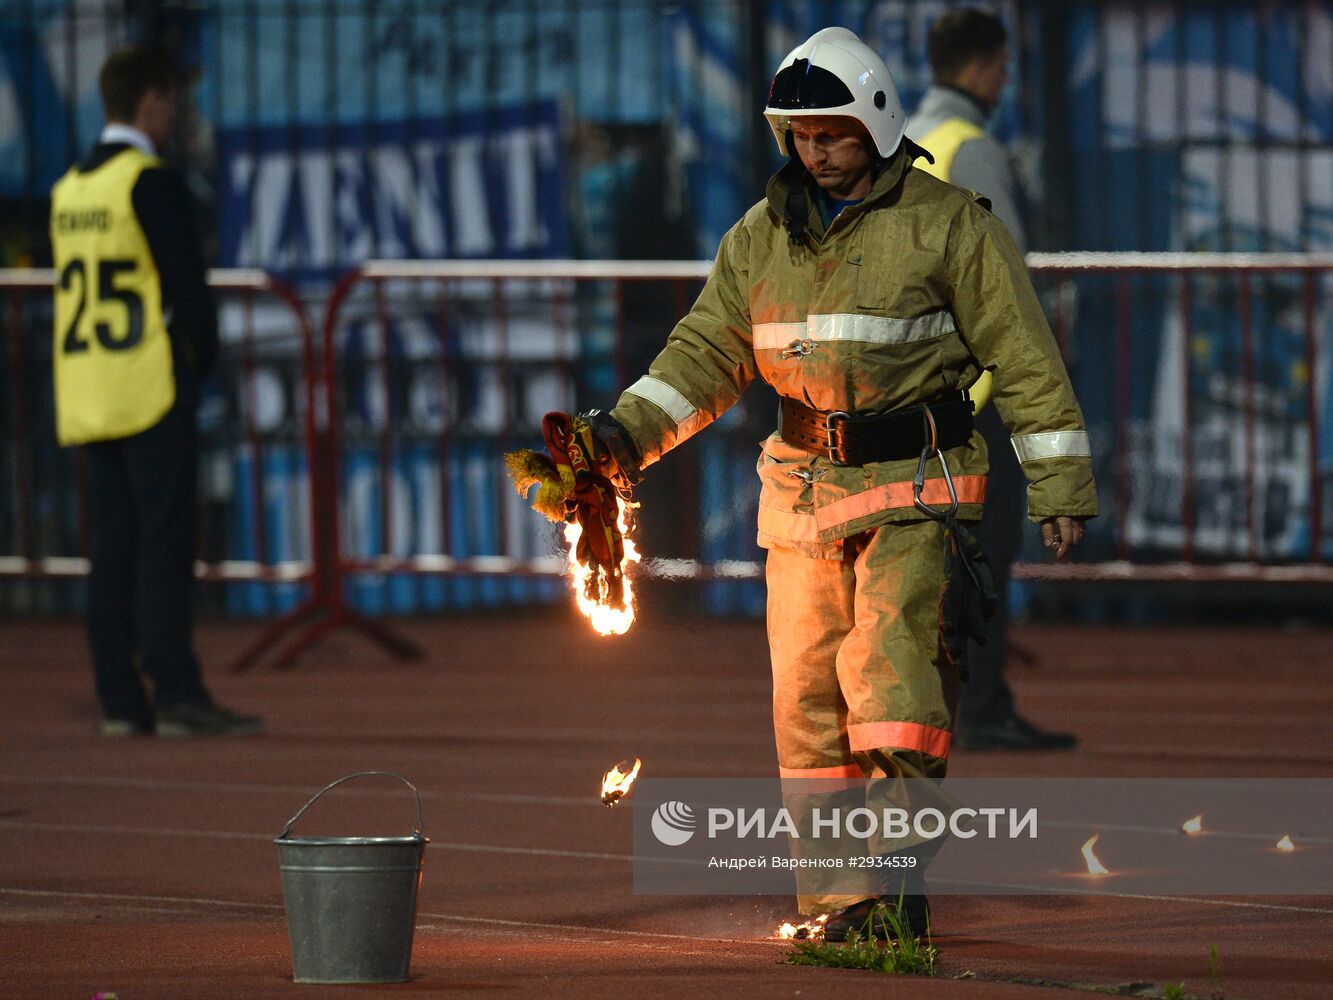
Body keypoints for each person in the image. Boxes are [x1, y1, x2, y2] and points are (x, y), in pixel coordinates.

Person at [573, 27, 1096, 938]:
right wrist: (622, 436)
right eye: (801, 135)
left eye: (833, 133)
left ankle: (894, 897)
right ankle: (836, 910)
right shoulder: (757, 238)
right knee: (807, 719)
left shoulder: (948, 223)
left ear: (877, 125)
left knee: (893, 700)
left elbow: (1024, 356)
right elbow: (702, 358)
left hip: (914, 495)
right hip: (800, 503)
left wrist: (1057, 487)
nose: (815, 151)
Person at [50, 46, 263, 738]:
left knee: (110, 548)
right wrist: (195, 366)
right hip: (147, 386)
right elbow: (189, 298)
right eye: (173, 100)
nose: (177, 114)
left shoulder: (71, 190)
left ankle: (119, 697)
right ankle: (176, 692)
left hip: (88, 391)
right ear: (150, 101)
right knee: (165, 545)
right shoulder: (151, 182)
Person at [908, 8, 1077, 751]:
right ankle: (979, 710)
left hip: (922, 389)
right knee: (983, 554)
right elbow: (1003, 282)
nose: (1005, 82)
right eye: (1004, 70)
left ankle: (933, 707)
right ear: (981, 68)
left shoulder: (907, 144)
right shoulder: (970, 150)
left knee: (937, 559)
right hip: (978, 394)